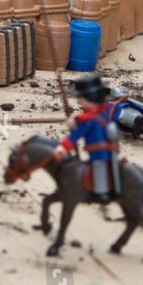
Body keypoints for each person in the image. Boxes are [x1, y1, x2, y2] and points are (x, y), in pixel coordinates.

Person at [52, 75, 120, 203]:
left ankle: (101, 193)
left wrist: (63, 147)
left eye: (81, 98)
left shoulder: (90, 120)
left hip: (99, 151)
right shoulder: (105, 109)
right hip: (108, 148)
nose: (78, 101)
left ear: (90, 98)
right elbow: (85, 117)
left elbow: (76, 135)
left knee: (98, 168)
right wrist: (76, 120)